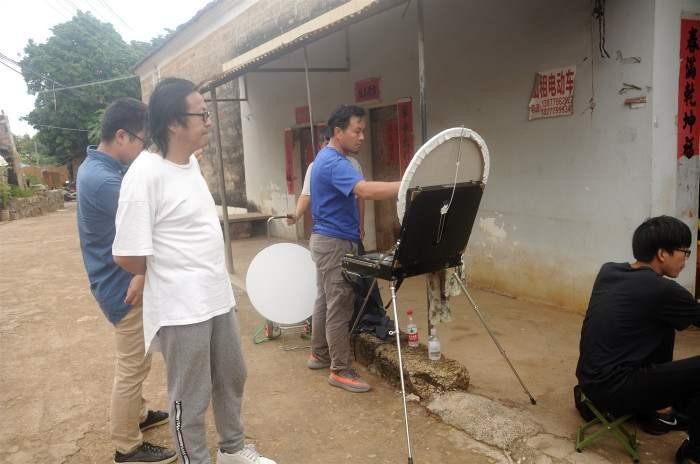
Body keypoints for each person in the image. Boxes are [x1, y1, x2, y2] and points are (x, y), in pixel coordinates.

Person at [112, 78, 276, 464]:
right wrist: (164, 271)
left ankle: (232, 449)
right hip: (181, 307)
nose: (209, 120)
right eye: (201, 113)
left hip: (216, 296)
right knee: (190, 395)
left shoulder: (190, 165)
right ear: (173, 122)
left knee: (232, 375)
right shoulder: (145, 174)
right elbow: (127, 255)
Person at [76, 98, 175, 464]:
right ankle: (127, 446)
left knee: (139, 359)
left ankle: (140, 414)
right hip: (122, 285)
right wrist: (142, 272)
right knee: (132, 365)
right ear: (121, 136)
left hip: (117, 279)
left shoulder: (97, 168)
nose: (143, 149)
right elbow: (146, 225)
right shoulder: (105, 180)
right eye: (141, 140)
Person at [575, 215, 700, 464]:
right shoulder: (663, 291)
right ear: (662, 253)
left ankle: (659, 410)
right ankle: (693, 454)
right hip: (615, 389)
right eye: (684, 253)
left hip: (589, 382)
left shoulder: (609, 270)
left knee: (664, 323)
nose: (686, 260)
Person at [307, 104, 401, 393]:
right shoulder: (334, 162)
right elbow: (365, 191)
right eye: (356, 131)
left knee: (325, 299)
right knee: (340, 304)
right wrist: (407, 184)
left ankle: (319, 354)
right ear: (338, 132)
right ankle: (340, 369)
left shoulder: (327, 158)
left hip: (326, 240)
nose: (361, 137)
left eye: (363, 131)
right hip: (334, 243)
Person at [287, 127, 364, 240]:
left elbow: (360, 198)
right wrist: (296, 215)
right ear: (320, 145)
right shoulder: (314, 166)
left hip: (350, 230)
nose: (330, 147)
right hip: (328, 233)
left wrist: (361, 224)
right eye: (326, 143)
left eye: (332, 143)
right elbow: (306, 195)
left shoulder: (353, 164)